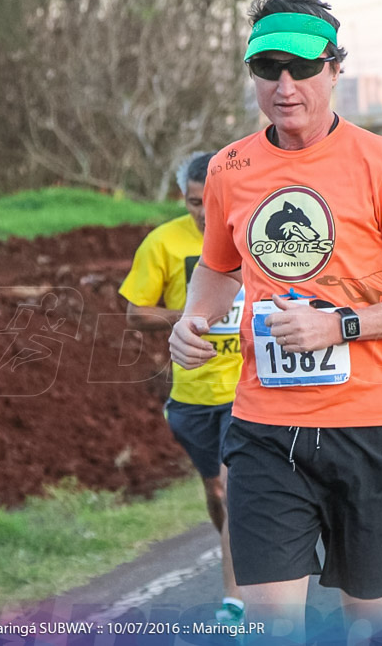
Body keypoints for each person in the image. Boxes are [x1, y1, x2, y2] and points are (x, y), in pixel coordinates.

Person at [168, 0, 382, 642]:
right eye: (267, 68)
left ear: (334, 68)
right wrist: (192, 320)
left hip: (372, 428)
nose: (285, 84)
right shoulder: (229, 169)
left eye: (301, 67)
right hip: (266, 429)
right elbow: (217, 265)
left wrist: (340, 325)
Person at [119, 152, 245, 626]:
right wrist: (189, 318)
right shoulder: (163, 243)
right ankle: (236, 552)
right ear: (184, 198)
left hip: (242, 391)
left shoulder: (250, 232)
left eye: (209, 200)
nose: (202, 211)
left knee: (234, 492)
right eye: (194, 202)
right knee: (214, 492)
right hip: (191, 397)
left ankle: (234, 599)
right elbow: (135, 312)